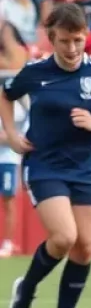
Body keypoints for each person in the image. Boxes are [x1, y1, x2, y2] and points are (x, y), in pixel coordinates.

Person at [3, 4, 91, 308]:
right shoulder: (35, 71)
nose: (72, 48)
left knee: (84, 248)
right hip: (44, 164)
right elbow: (6, 93)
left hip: (84, 166)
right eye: (64, 41)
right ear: (51, 38)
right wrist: (13, 136)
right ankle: (26, 288)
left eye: (78, 40)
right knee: (64, 237)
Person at [0, 93, 28, 258]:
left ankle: (8, 243)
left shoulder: (18, 109)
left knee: (8, 201)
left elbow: (21, 137)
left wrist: (9, 137)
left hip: (9, 161)